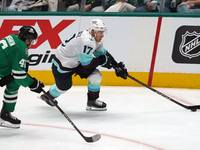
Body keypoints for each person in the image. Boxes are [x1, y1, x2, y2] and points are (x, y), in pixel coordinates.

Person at [39, 19, 128, 111]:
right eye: (100, 32)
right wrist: (105, 62)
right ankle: (48, 96)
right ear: (93, 31)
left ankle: (92, 101)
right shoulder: (86, 41)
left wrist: (115, 65)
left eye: (103, 32)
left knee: (96, 76)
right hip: (64, 64)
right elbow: (88, 64)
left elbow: (102, 53)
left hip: (78, 61)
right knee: (63, 87)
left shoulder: (95, 38)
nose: (102, 35)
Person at [0, 25, 45, 128]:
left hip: (2, 69)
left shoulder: (14, 37)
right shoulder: (21, 48)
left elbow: (16, 73)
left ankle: (5, 114)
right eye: (32, 41)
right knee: (15, 79)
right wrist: (33, 84)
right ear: (27, 40)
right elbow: (20, 76)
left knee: (13, 82)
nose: (32, 43)